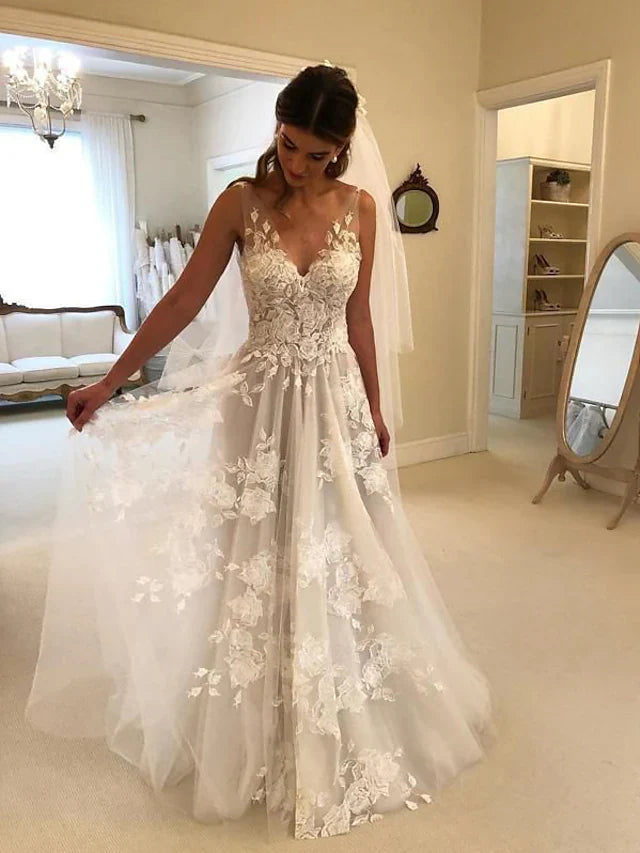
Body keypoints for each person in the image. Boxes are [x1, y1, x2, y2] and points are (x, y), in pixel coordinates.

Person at [25, 63, 497, 841]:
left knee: (344, 549)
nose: (298, 163)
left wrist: (376, 405)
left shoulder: (362, 209)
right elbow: (183, 300)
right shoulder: (240, 203)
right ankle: (253, 708)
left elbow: (360, 319)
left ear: (341, 149)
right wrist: (111, 380)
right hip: (258, 407)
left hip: (335, 403)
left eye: (316, 152)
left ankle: (344, 695)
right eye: (288, 143)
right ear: (276, 129)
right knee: (255, 549)